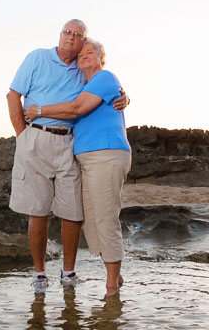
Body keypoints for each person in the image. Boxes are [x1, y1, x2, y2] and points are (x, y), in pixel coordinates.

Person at [7, 20, 128, 291]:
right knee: (37, 211)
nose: (72, 39)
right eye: (68, 33)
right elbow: (13, 95)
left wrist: (125, 96)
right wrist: (22, 135)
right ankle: (39, 274)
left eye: (79, 37)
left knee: (73, 212)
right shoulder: (39, 58)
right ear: (60, 35)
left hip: (72, 146)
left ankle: (70, 272)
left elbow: (83, 102)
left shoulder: (88, 71)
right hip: (39, 140)